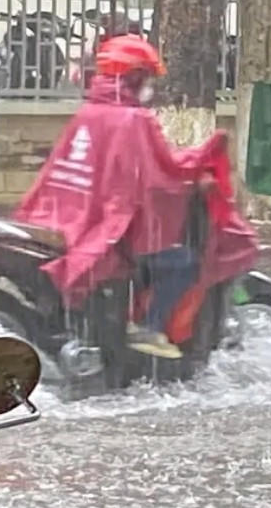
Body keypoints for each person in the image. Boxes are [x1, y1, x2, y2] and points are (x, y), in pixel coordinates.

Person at [14, 35, 252, 359]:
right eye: (147, 79)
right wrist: (205, 157)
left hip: (67, 222)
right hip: (109, 234)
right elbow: (163, 168)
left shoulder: (90, 113)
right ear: (135, 78)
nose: (149, 88)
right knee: (186, 263)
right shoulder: (133, 120)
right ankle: (149, 328)